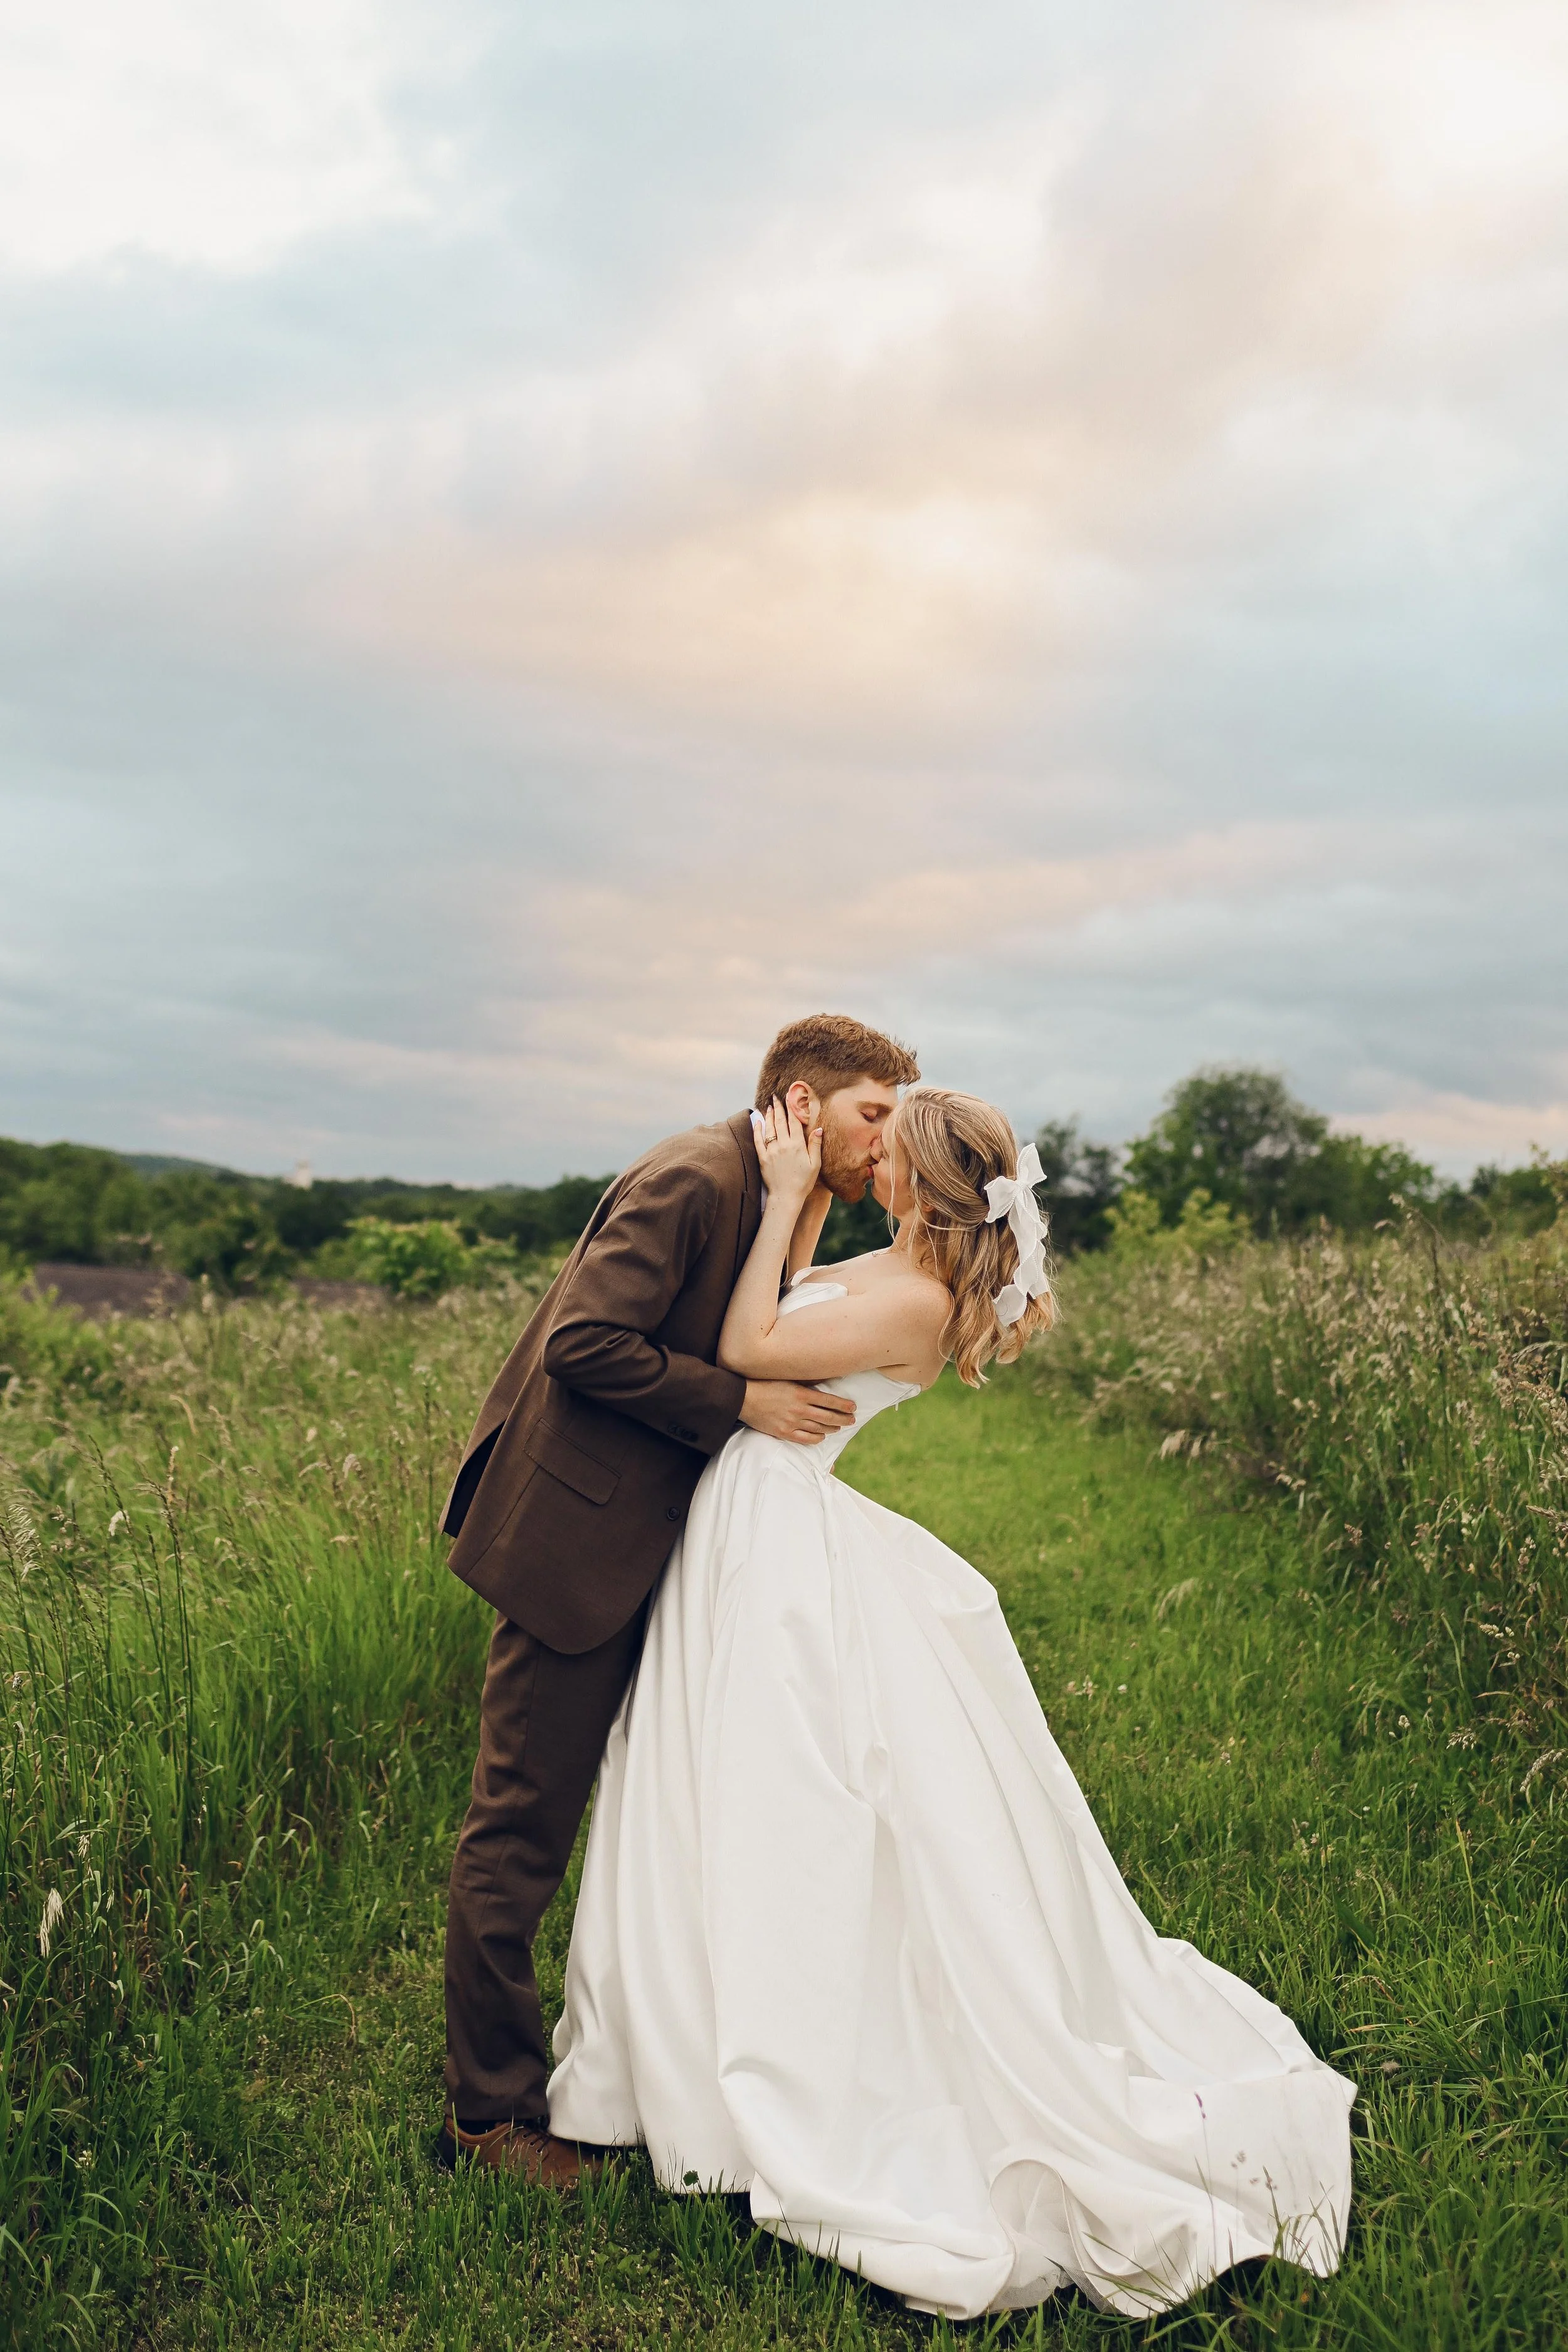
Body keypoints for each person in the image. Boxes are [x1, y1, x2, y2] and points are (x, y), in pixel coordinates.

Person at [548, 1086, 1357, 2320]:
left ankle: (790, 2067)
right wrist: (797, 1205)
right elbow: (767, 1323)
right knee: (712, 1785)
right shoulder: (891, 1263)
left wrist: (773, 1203)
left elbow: (749, 1351)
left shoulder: (919, 1302)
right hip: (750, 1526)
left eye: (886, 1145)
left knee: (791, 1801)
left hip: (779, 1540)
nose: (866, 1157)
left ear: (920, 1179)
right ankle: (681, 2045)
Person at [437, 1014, 921, 2184]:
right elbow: (584, 1344)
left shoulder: (779, 1196)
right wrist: (740, 1405)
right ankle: (489, 2115)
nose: (883, 1145)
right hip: (574, 1543)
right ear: (804, 1105)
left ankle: (645, 2064)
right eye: (871, 1115)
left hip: (660, 1548)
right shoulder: (694, 1175)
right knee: (520, 1828)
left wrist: (802, 1206)